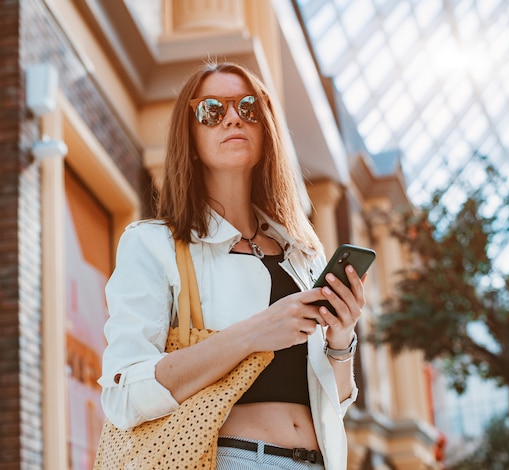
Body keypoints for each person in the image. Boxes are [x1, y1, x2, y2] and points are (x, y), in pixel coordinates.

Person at [98, 60, 365, 470]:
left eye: (248, 107)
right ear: (190, 135)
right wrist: (253, 334)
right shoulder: (154, 244)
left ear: (266, 129)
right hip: (231, 458)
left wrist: (341, 338)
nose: (234, 118)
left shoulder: (303, 252)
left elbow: (333, 406)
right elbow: (123, 395)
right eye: (212, 110)